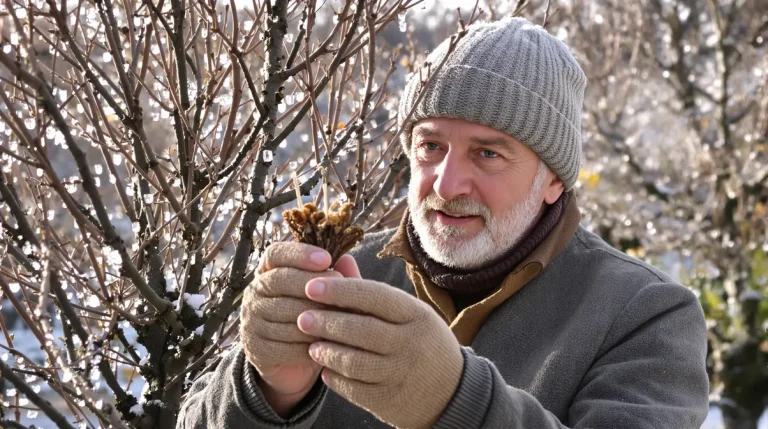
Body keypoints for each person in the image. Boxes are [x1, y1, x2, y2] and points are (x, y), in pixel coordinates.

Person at [177, 16, 709, 429]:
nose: (447, 184)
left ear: (553, 181)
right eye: (431, 145)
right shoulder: (340, 277)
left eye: (488, 154)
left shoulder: (644, 313)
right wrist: (266, 391)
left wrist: (456, 401)